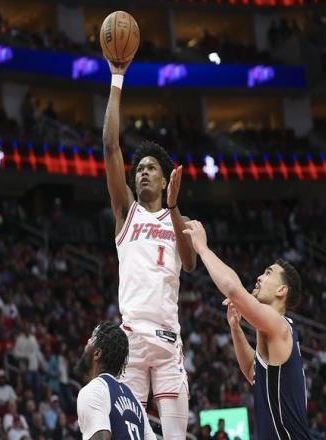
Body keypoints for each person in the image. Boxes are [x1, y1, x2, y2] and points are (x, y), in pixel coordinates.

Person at [102, 56, 197, 439]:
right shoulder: (126, 212)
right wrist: (117, 78)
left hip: (169, 340)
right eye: (139, 167)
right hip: (132, 340)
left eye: (150, 168)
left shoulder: (180, 221)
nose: (142, 171)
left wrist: (173, 208)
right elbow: (110, 146)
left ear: (164, 179)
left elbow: (190, 263)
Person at [182, 220, 312, 439]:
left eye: (268, 273)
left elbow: (233, 289)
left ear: (281, 290)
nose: (259, 277)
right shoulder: (272, 332)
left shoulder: (279, 325)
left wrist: (202, 248)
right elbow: (253, 371)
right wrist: (236, 328)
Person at [75, 321, 156, 440]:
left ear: (97, 354)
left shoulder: (93, 391)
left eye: (91, 339)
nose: (87, 341)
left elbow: (101, 438)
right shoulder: (135, 401)